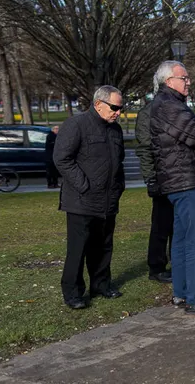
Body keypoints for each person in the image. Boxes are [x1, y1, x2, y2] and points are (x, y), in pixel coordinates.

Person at [149, 60, 195, 316]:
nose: (188, 82)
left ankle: (182, 293)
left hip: (180, 181)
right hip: (185, 181)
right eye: (185, 78)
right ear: (169, 81)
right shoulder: (169, 106)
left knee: (181, 240)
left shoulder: (169, 105)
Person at [53, 86, 126, 310]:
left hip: (107, 201)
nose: (118, 112)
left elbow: (119, 161)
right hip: (81, 201)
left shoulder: (115, 130)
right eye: (114, 107)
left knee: (103, 246)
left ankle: (101, 285)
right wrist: (84, 185)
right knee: (78, 249)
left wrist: (118, 187)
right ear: (98, 104)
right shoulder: (76, 125)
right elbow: (62, 158)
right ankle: (73, 292)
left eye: (121, 108)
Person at [136, 93, 174, 284]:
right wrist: (151, 179)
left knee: (178, 224)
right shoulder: (149, 112)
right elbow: (145, 148)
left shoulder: (175, 107)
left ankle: (176, 261)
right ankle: (157, 266)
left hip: (176, 174)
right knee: (161, 224)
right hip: (161, 176)